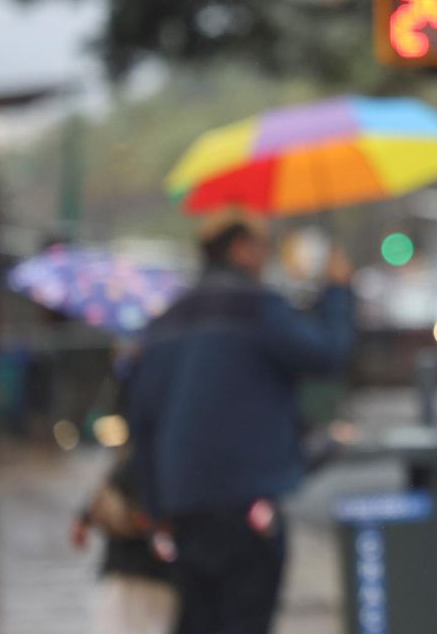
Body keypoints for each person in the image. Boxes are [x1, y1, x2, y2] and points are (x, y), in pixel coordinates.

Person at [127, 208, 356, 634]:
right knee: (246, 618)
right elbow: (327, 354)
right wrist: (337, 291)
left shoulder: (167, 320)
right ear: (240, 248)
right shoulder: (256, 307)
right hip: (247, 496)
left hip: (184, 503)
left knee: (199, 621)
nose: (265, 256)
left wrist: (157, 507)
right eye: (261, 246)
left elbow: (142, 418)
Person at [72, 453, 178, 633]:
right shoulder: (151, 458)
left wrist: (83, 521)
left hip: (143, 576)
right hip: (142, 574)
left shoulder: (138, 456)